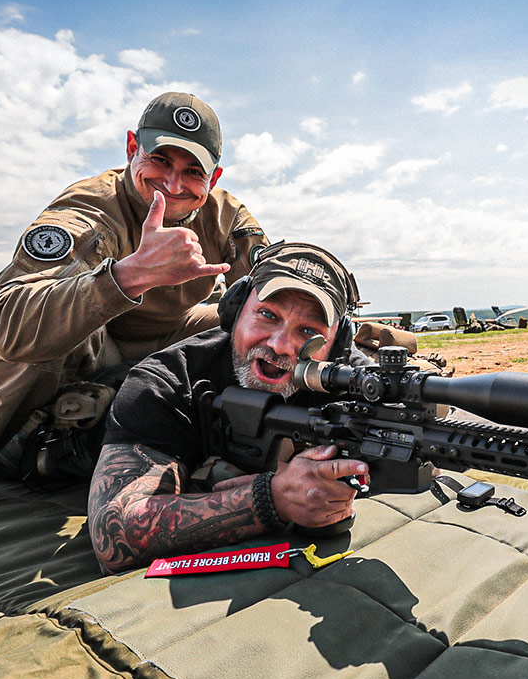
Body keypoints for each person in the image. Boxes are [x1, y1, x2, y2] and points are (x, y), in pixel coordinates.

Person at [0, 92, 270, 537]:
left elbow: (273, 282)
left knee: (254, 330)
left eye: (193, 171)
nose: (173, 183)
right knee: (41, 337)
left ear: (214, 177)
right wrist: (129, 276)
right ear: (131, 148)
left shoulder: (226, 215)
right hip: (94, 344)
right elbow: (11, 326)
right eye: (160, 160)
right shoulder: (89, 208)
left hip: (170, 335)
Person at [87, 243, 366, 574]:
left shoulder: (354, 383)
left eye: (309, 332)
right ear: (234, 311)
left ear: (336, 347)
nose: (279, 345)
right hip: (78, 432)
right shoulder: (165, 382)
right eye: (267, 315)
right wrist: (271, 499)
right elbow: (114, 533)